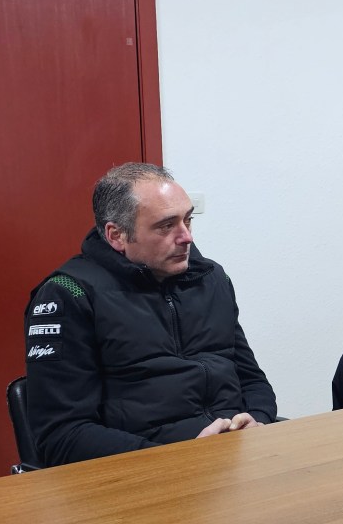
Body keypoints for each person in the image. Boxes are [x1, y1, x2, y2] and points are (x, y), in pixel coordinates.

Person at [24, 163, 276, 467]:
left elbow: (252, 380)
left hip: (231, 461)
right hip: (144, 471)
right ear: (116, 235)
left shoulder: (212, 279)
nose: (186, 237)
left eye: (188, 220)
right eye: (166, 226)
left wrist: (257, 421)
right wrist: (175, 458)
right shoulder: (69, 294)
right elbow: (61, 436)